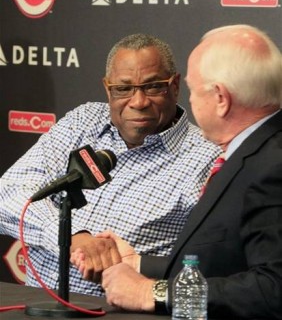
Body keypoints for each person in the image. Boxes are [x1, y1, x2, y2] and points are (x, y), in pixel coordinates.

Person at [72, 25, 282, 319]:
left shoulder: (272, 167)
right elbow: (230, 262)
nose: (191, 101)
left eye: (194, 90)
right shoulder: (249, 155)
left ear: (220, 98)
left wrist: (151, 292)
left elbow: (273, 289)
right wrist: (139, 264)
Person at [0, 33, 219, 296]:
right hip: (38, 306)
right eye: (124, 89)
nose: (138, 102)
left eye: (152, 87)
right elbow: (7, 195)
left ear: (174, 86)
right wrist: (69, 237)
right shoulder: (82, 122)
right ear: (108, 89)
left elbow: (213, 268)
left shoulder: (206, 158)